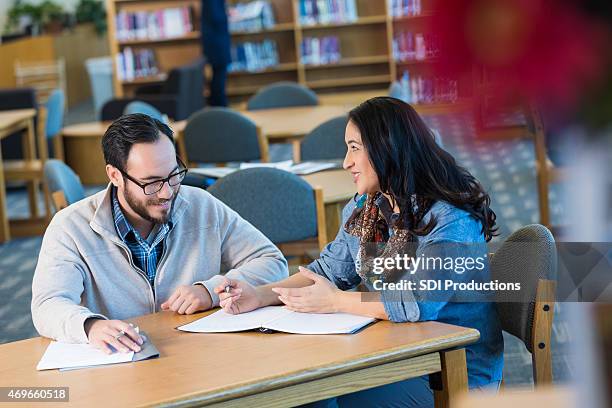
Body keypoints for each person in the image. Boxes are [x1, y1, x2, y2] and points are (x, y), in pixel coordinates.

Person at [214, 97, 504, 407]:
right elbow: (328, 271)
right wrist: (261, 295)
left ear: (387, 148)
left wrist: (336, 301)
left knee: (323, 395)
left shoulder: (449, 219)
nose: (345, 162)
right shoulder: (369, 206)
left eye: (354, 148)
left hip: (452, 371)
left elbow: (417, 303)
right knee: (307, 391)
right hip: (395, 350)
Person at [31, 113, 287, 354]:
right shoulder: (70, 227)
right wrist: (90, 326)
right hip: (122, 365)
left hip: (199, 356)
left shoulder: (201, 205)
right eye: (152, 183)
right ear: (115, 175)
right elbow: (48, 305)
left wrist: (210, 291)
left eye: (173, 175)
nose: (167, 193)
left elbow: (271, 262)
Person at [200, 0, 231, 107]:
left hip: (216, 39)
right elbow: (215, 17)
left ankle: (218, 105)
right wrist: (229, 14)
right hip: (217, 41)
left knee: (218, 75)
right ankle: (220, 105)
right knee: (219, 76)